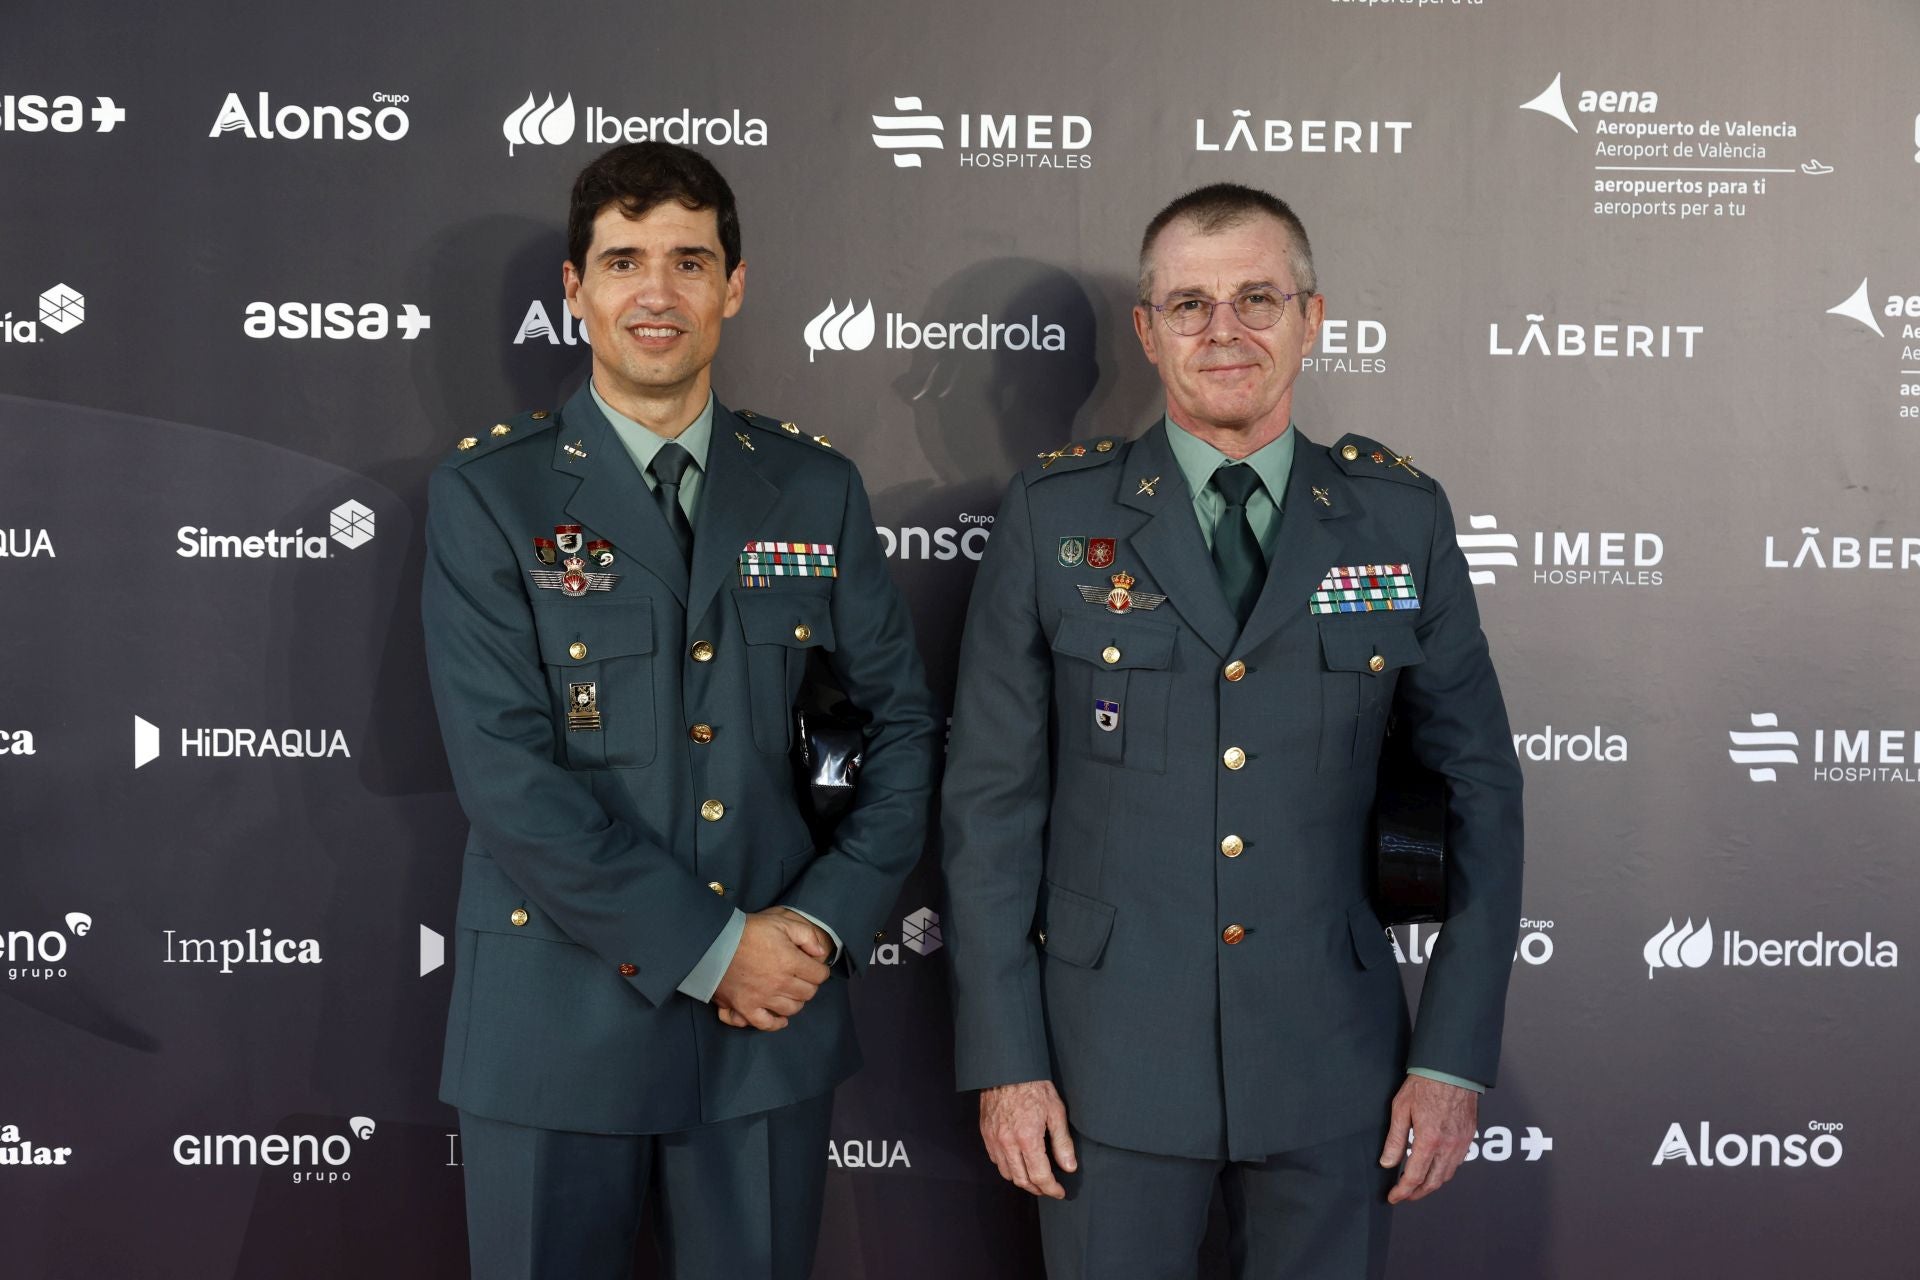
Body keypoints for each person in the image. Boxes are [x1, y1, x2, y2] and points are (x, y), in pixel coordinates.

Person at [941, 182, 1523, 1279]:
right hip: (1105, 1068)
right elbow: (990, 809)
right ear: (1147, 331)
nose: (1226, 330)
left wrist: (1451, 1057)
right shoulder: (1054, 518)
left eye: (1258, 297)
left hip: (1335, 1070)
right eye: (1192, 303)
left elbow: (1481, 790)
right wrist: (1008, 1062)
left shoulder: (1400, 517)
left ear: (1313, 315)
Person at [422, 141, 938, 1280]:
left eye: (689, 260)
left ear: (733, 286)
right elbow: (507, 772)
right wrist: (711, 948)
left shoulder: (813, 487)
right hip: (553, 1029)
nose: (657, 293)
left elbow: (903, 728)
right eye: (622, 261)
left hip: (767, 1035)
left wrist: (813, 927)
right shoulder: (489, 494)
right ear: (576, 287)